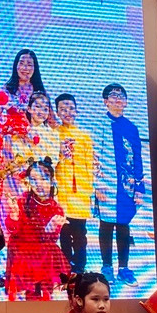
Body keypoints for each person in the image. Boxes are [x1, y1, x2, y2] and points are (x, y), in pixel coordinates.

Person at [94, 83, 145, 285]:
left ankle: (124, 268)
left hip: (126, 185)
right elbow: (93, 157)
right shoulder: (99, 125)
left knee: (124, 224)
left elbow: (138, 158)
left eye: (121, 96)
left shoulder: (131, 128)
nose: (117, 99)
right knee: (106, 225)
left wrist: (139, 188)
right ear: (105, 102)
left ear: (126, 102)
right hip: (106, 183)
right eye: (113, 96)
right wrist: (96, 184)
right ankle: (106, 267)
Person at [5, 158, 67, 300]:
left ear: (52, 181)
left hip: (43, 254)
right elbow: (13, 231)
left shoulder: (56, 209)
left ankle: (45, 297)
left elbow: (51, 240)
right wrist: (14, 216)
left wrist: (51, 227)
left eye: (44, 179)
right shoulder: (21, 201)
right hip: (22, 252)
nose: (38, 184)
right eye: (33, 180)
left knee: (50, 252)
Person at [54, 94, 93, 274]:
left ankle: (80, 265)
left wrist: (89, 190)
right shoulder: (54, 134)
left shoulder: (84, 136)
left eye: (70, 108)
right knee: (63, 231)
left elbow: (89, 164)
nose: (67, 112)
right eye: (62, 109)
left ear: (76, 111)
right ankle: (65, 265)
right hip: (62, 191)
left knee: (80, 232)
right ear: (57, 112)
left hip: (80, 192)